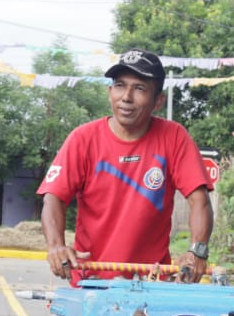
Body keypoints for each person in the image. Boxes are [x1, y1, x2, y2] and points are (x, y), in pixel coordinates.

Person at [38, 49, 213, 284]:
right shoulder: (83, 139)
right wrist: (56, 246)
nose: (126, 97)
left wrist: (197, 251)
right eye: (120, 85)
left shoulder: (174, 137)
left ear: (158, 101)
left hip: (151, 284)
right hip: (91, 281)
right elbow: (53, 198)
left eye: (139, 88)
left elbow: (199, 199)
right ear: (110, 91)